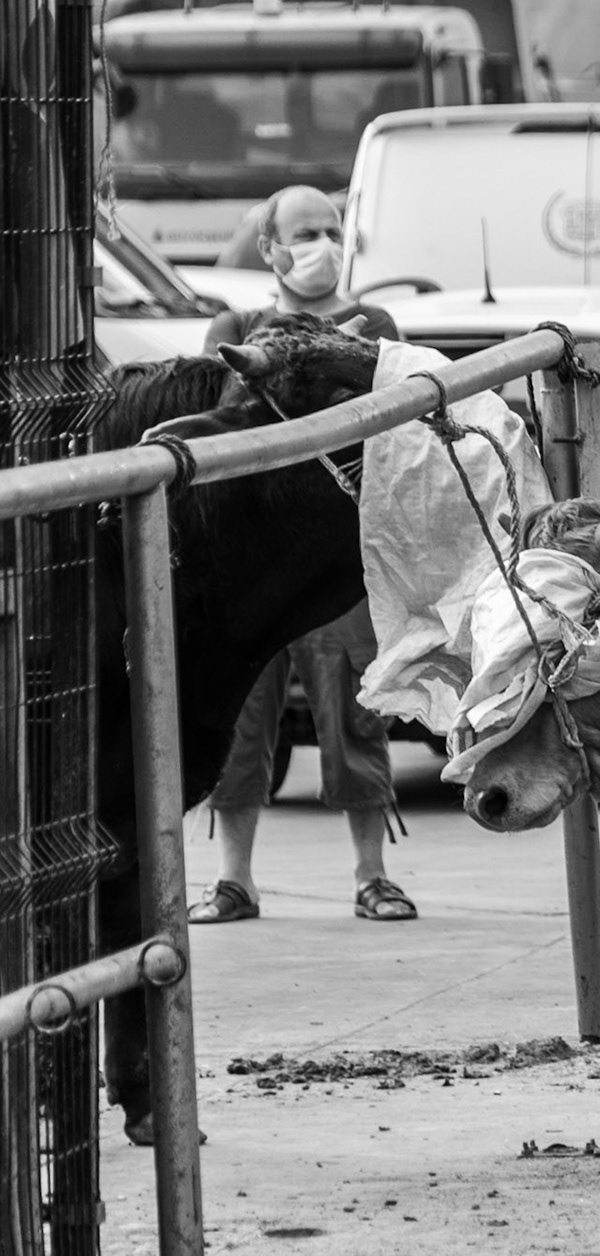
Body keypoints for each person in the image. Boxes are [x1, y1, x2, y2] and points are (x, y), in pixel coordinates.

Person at [189, 185, 418, 924]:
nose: (321, 243)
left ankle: (372, 876)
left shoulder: (372, 326)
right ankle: (233, 881)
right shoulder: (235, 328)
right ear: (270, 249)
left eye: (331, 229)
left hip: (336, 561)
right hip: (253, 566)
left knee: (354, 710)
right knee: (243, 715)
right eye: (304, 231)